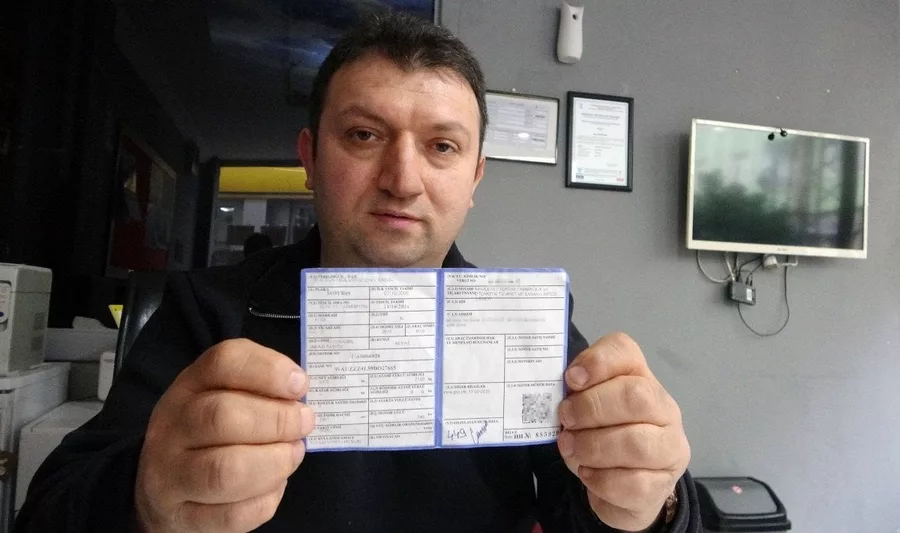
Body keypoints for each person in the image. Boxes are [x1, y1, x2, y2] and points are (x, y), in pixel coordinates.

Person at [15, 12, 699, 533]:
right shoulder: (206, 311)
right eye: (365, 135)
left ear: (474, 178)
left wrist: (655, 502)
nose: (403, 179)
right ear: (310, 159)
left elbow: (593, 511)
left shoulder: (523, 326)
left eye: (442, 146)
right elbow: (46, 509)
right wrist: (142, 495)